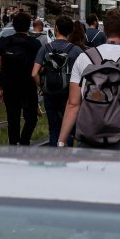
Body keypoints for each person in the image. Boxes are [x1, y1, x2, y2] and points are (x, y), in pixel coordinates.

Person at [58, 7, 120, 153]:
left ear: (104, 30)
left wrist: (61, 141)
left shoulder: (84, 57)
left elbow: (73, 104)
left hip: (87, 138)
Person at [32, 16, 83, 146]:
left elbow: (34, 73)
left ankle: (53, 158)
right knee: (68, 127)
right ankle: (67, 155)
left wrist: (41, 85)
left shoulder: (45, 48)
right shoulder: (76, 51)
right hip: (68, 94)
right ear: (70, 31)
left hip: (49, 93)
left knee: (53, 128)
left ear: (56, 29)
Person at [0, 11, 42, 145]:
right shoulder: (35, 44)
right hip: (28, 86)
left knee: (12, 118)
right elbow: (39, 69)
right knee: (31, 118)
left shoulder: (5, 42)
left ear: (14, 25)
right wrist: (40, 86)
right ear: (29, 26)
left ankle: (13, 145)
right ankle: (24, 141)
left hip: (9, 85)